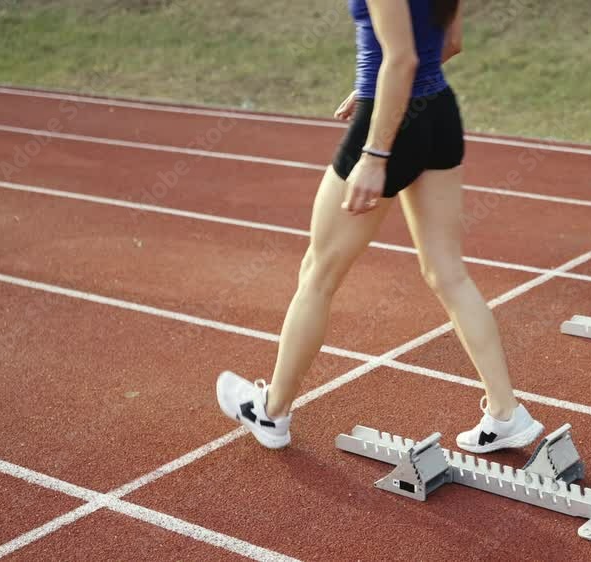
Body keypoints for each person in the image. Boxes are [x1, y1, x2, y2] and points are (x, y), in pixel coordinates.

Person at [216, 0, 543, 454]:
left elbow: (401, 58)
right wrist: (371, 88)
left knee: (318, 275)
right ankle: (506, 413)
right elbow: (450, 43)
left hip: (391, 129)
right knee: (449, 273)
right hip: (438, 114)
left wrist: (375, 152)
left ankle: (271, 412)